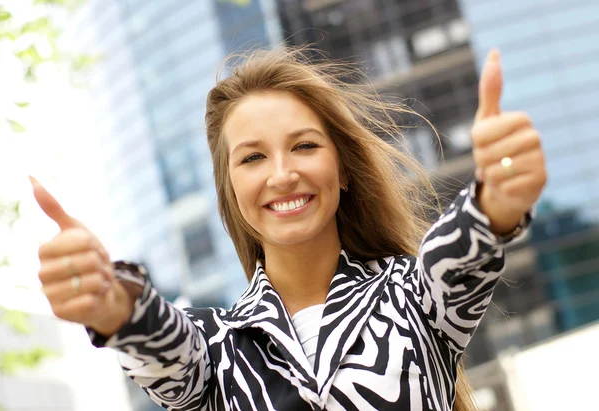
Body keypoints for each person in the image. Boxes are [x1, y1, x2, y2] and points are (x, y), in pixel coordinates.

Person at [31, 47, 546, 411]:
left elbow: (460, 256)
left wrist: (492, 202)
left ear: (343, 171)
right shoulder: (215, 352)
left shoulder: (414, 299)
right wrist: (110, 303)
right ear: (230, 189)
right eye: (253, 157)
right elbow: (158, 340)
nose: (282, 175)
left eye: (304, 146)